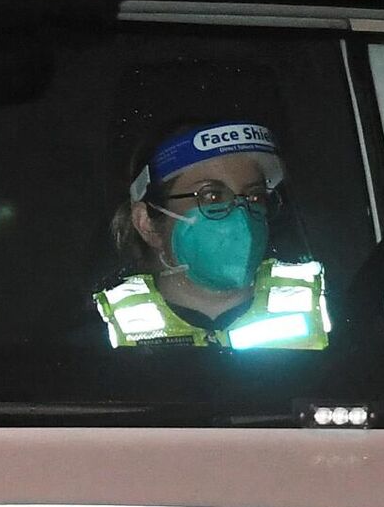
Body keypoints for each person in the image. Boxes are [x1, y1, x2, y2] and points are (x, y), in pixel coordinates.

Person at [96, 120, 330, 351]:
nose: (242, 216)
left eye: (255, 196)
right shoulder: (99, 343)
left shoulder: (325, 317)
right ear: (147, 223)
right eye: (212, 196)